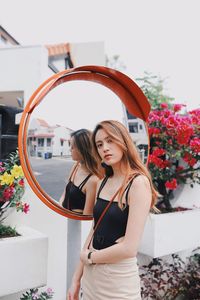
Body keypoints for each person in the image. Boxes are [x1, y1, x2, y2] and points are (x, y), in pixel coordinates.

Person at [68, 120, 158, 300]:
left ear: (123, 141)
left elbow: (129, 248)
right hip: (92, 278)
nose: (105, 148)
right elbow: (94, 230)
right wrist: (76, 279)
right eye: (99, 144)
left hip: (118, 281)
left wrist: (91, 257)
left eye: (110, 140)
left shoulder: (137, 183)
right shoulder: (102, 181)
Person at [60, 129, 101, 215]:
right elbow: (65, 194)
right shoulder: (76, 166)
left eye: (72, 147)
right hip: (63, 218)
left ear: (82, 149)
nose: (70, 150)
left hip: (76, 225)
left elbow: (87, 216)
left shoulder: (93, 180)